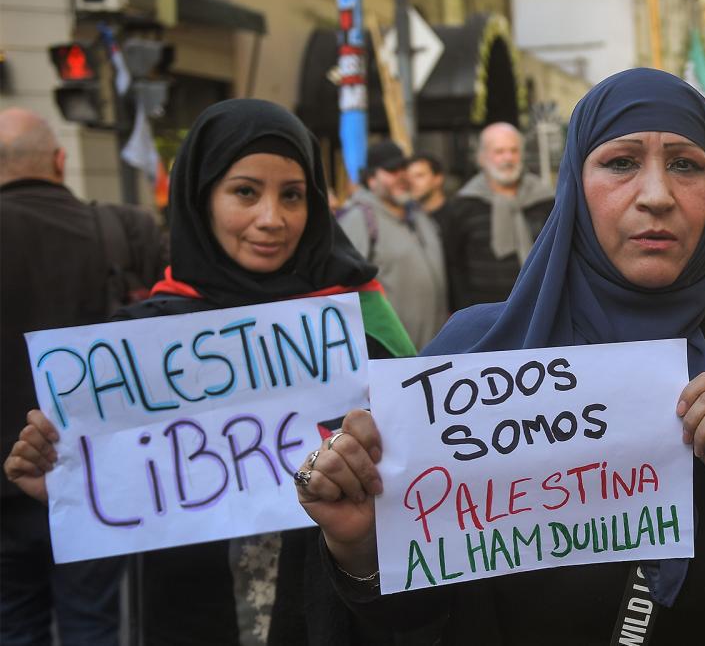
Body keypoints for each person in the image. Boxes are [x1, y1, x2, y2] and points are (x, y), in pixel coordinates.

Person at [294, 68, 705, 644]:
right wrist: (362, 551)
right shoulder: (470, 358)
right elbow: (413, 620)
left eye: (686, 165)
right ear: (574, 185)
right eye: (621, 163)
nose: (657, 195)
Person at [4, 99, 416, 645]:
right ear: (200, 199)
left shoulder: (355, 326)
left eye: (292, 195)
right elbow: (131, 494)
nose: (272, 219)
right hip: (191, 616)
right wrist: (69, 490)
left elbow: (410, 479)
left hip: (333, 616)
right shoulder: (141, 342)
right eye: (245, 192)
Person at [0, 107, 166, 646]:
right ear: (60, 160)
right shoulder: (121, 229)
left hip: (5, 482)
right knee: (92, 625)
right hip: (94, 476)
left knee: (13, 624)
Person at [340, 141, 447, 349]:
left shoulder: (420, 215)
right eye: (391, 170)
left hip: (435, 354)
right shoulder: (359, 219)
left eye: (404, 168)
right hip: (393, 358)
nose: (402, 176)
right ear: (371, 179)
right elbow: (346, 292)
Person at [442, 122, 555, 310]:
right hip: (484, 312)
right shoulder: (464, 206)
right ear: (482, 157)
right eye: (499, 152)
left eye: (514, 150)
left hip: (541, 306)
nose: (508, 158)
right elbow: (454, 266)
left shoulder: (545, 201)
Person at [406, 152, 451, 230]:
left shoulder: (456, 218)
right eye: (409, 177)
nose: (411, 182)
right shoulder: (408, 220)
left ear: (438, 179)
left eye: (419, 176)